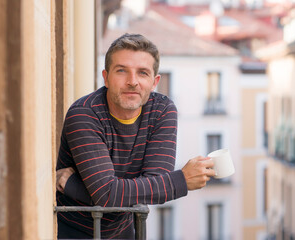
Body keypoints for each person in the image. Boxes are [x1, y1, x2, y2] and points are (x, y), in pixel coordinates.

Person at [56, 33, 216, 239]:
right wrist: (181, 180)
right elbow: (110, 193)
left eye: (142, 73)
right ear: (105, 77)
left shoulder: (162, 111)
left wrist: (74, 188)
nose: (132, 82)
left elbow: (152, 186)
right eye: (121, 71)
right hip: (73, 231)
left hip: (125, 231)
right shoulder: (85, 114)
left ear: (154, 81)